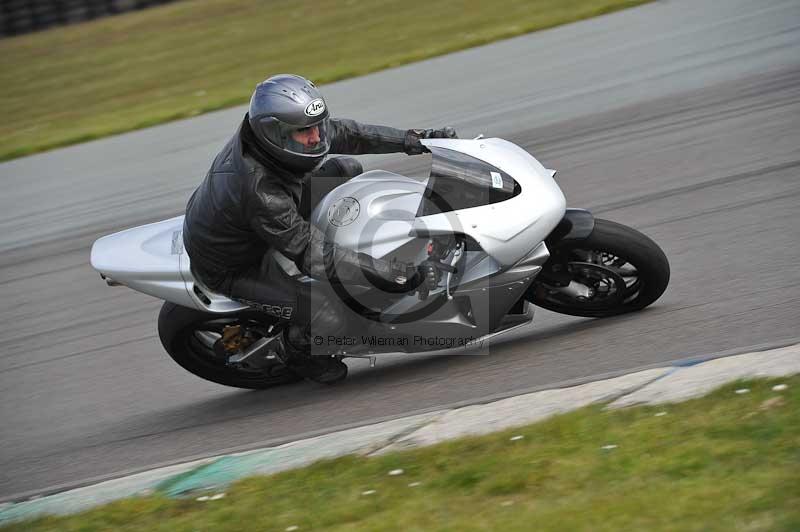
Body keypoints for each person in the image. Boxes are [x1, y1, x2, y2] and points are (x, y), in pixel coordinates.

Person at [183, 74, 457, 383]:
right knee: (327, 313)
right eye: (305, 131)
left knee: (346, 169)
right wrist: (394, 272)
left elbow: (351, 134)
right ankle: (296, 354)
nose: (316, 137)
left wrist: (418, 140)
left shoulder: (279, 136)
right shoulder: (260, 190)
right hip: (234, 264)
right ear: (275, 133)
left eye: (317, 125)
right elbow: (313, 254)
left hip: (257, 216)